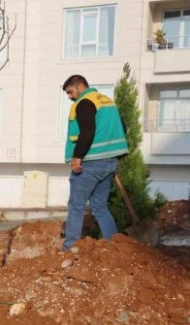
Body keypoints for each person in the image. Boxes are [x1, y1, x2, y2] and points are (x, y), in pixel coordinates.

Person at [61, 75, 128, 251]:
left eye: (70, 92)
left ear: (80, 86)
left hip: (89, 163)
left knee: (76, 206)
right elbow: (123, 126)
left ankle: (69, 247)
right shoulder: (107, 101)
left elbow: (87, 131)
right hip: (109, 163)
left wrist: (77, 157)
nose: (69, 96)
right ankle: (114, 244)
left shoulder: (84, 102)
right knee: (99, 206)